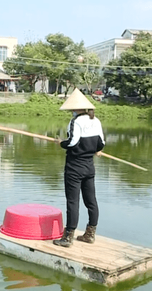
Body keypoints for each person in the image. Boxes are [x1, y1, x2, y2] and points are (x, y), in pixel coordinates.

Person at [53, 88, 105, 247]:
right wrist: (96, 150)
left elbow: (73, 142)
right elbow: (101, 143)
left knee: (72, 201)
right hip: (89, 167)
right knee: (91, 201)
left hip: (74, 167)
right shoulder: (95, 120)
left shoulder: (75, 122)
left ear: (75, 108)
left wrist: (61, 143)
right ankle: (90, 234)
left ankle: (68, 238)